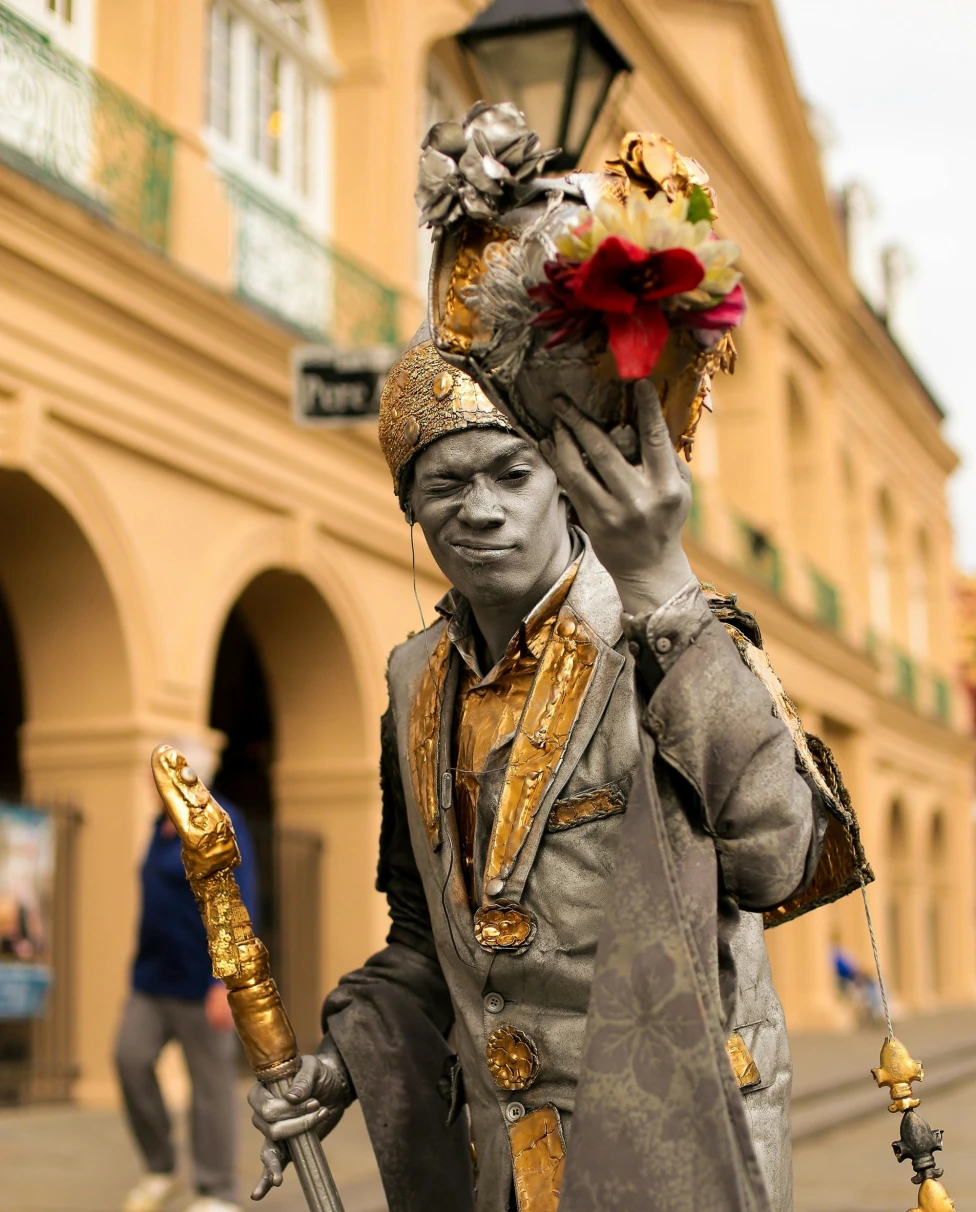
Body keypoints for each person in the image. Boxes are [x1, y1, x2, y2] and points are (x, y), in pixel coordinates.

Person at [245, 338, 851, 1212]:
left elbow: (776, 864)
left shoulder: (673, 633)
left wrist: (664, 589)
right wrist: (339, 1069)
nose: (481, 511)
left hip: (681, 1150)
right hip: (513, 1170)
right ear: (409, 507)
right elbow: (427, 938)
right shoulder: (413, 681)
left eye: (510, 475)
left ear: (561, 486)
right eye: (446, 486)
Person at [116, 740, 258, 1212]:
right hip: (151, 979)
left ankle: (217, 1191)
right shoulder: (158, 825)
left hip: (203, 983)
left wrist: (225, 982)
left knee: (210, 1087)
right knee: (130, 1059)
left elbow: (240, 902)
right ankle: (161, 1166)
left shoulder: (218, 821)